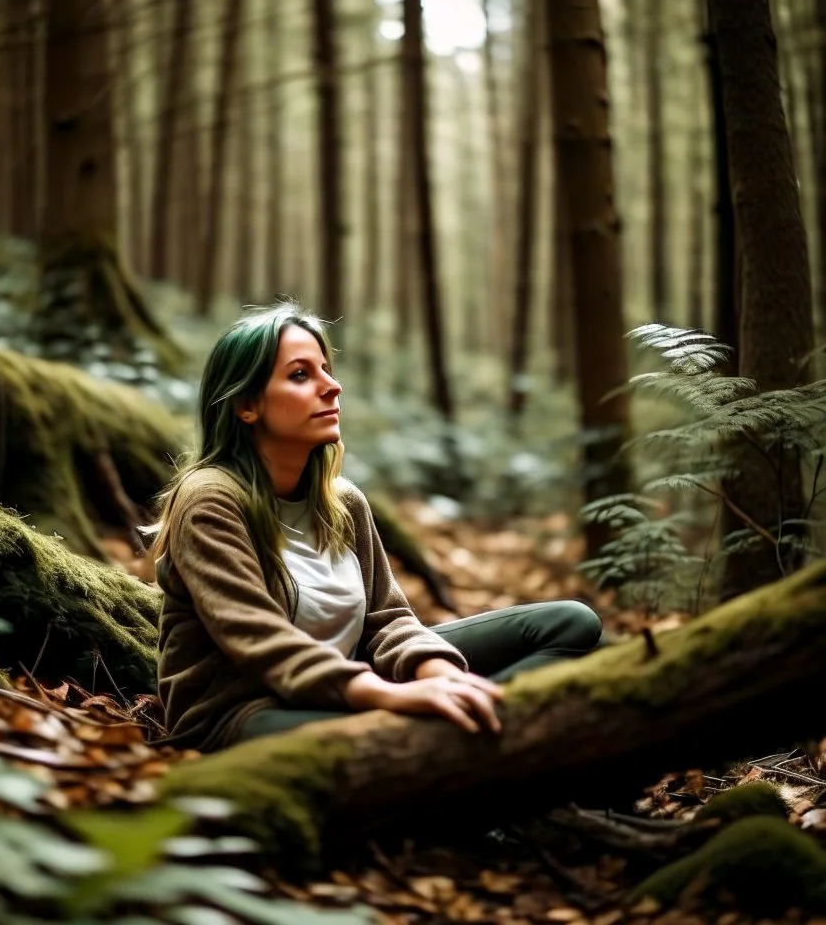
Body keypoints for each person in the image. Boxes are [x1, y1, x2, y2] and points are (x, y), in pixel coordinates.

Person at [153, 303, 602, 752]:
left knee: (570, 624)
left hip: (352, 684)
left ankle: (472, 724)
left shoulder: (342, 501)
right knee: (404, 738)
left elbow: (386, 621)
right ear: (247, 405)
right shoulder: (210, 499)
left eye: (326, 370)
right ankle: (474, 748)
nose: (333, 386)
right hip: (242, 715)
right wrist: (391, 695)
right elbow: (258, 637)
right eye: (300, 375)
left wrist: (443, 678)